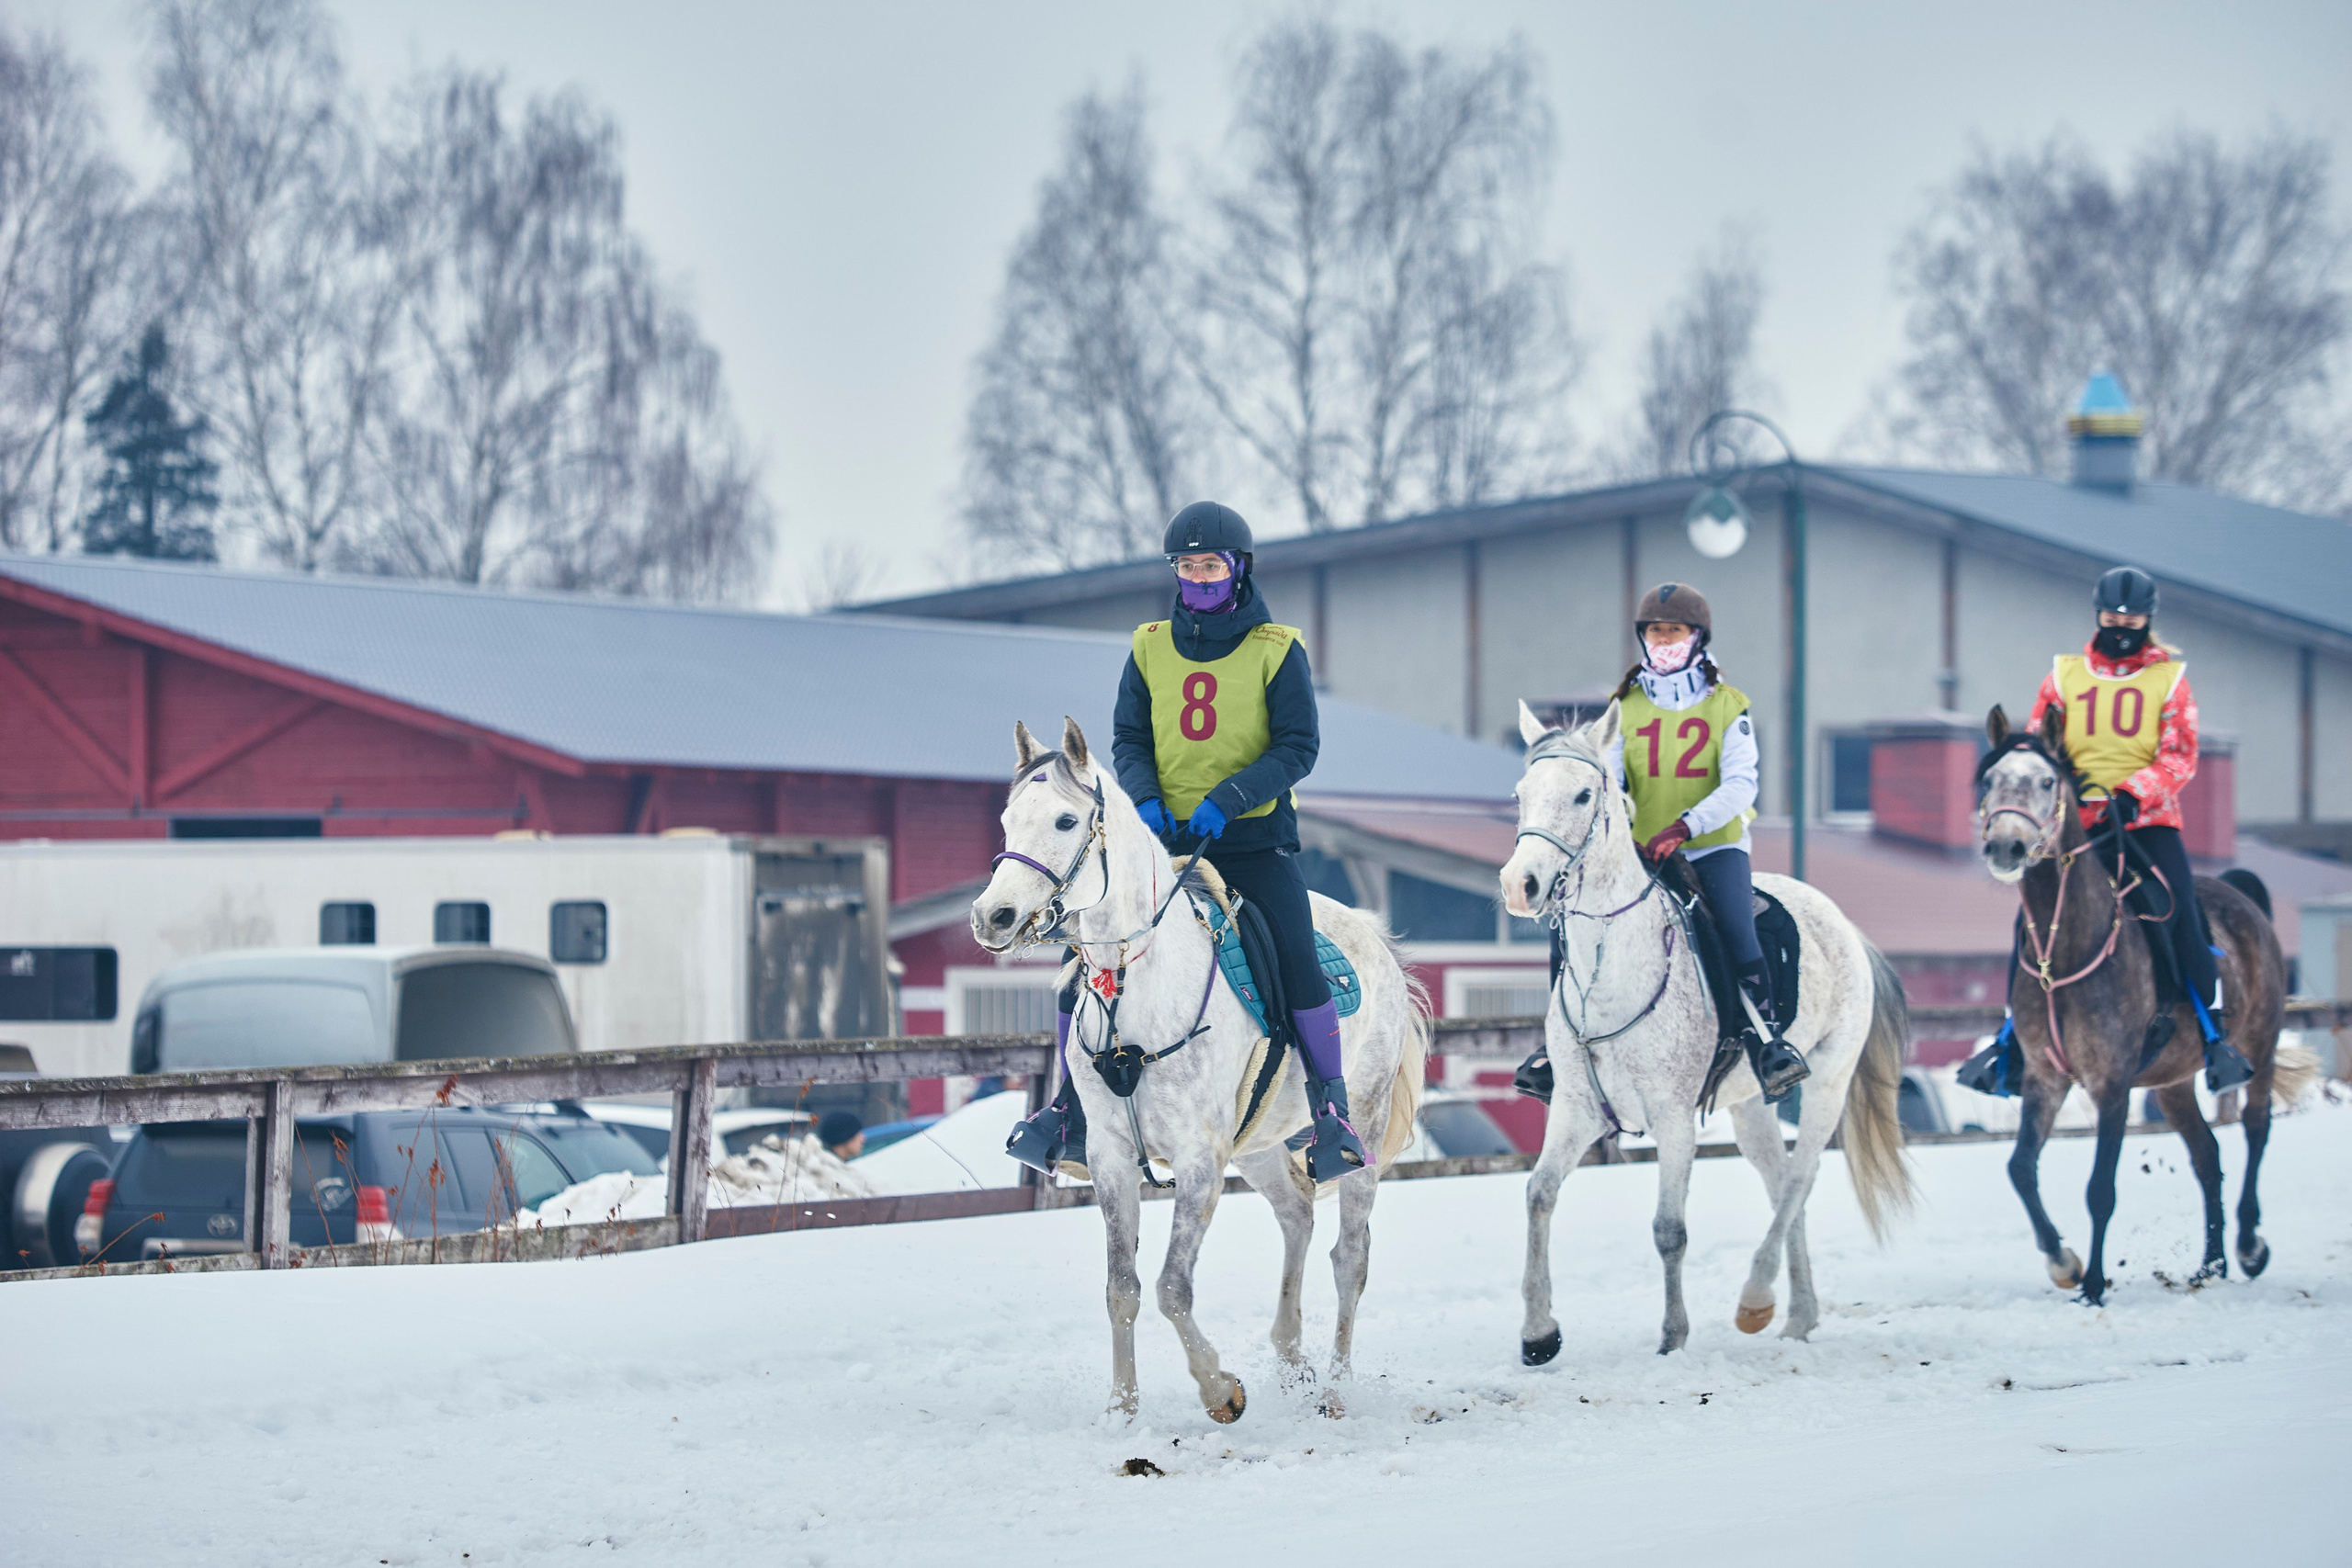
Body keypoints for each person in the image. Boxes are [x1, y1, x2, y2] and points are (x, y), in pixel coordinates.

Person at [1006, 501, 1367, 1181]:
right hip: (1159, 840)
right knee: (1085, 960)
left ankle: (1331, 1111)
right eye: (1187, 566)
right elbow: (1130, 737)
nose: (1198, 578)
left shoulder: (1277, 648)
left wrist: (1229, 799)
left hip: (1253, 839)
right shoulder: (1148, 645)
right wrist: (1144, 798)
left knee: (1297, 957)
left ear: (1238, 569)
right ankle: (1067, 1110)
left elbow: (1298, 746)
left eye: (1211, 566)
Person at [1514, 582, 1811, 1105]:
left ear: (1698, 638)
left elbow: (1741, 784)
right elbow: (1610, 779)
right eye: (1655, 631)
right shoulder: (1624, 707)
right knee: (1570, 923)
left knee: (1738, 929)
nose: (1664, 640)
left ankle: (1767, 1043)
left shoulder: (1729, 706)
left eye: (1675, 631)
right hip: (1640, 848)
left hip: (1712, 846)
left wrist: (1686, 826)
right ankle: (1555, 1048)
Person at [1961, 566, 2253, 1096]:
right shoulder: (2063, 677)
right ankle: (2010, 1043)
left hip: (2145, 820)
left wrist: (2133, 793)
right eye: (2112, 616)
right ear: (2098, 615)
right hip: (2073, 825)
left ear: (2148, 619)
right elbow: (2043, 746)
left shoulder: (2170, 681)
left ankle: (2214, 1038)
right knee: (2031, 921)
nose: (2121, 624)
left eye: (2132, 617)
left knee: (2183, 912)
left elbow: (2180, 756)